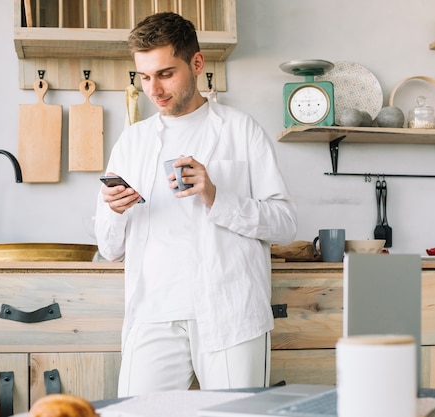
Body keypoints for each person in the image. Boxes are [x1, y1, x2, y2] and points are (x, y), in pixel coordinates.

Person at [95, 11, 297, 397]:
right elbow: (109, 248)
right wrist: (113, 210)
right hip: (154, 313)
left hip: (231, 311)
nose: (154, 89)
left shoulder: (241, 130)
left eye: (166, 73)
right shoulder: (131, 143)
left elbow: (285, 224)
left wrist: (216, 196)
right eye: (144, 76)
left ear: (197, 63)